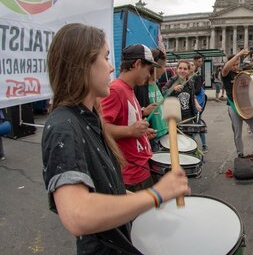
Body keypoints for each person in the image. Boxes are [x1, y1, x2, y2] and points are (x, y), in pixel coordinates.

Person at [42, 23, 189, 254]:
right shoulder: (64, 126)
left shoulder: (89, 119)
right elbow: (76, 215)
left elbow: (111, 191)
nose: (111, 68)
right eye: (106, 57)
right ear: (83, 64)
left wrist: (152, 203)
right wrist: (155, 194)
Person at [101, 44, 159, 191]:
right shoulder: (116, 89)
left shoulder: (128, 89)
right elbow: (101, 128)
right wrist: (131, 131)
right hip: (130, 176)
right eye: (148, 69)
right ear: (137, 64)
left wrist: (142, 134)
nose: (149, 74)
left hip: (141, 169)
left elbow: (125, 124)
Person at [222, 48, 253, 161]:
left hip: (247, 105)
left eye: (237, 64)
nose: (235, 66)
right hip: (233, 106)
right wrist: (239, 54)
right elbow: (226, 67)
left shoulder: (243, 73)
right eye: (233, 64)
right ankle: (240, 153)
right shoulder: (225, 74)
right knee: (238, 132)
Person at [134, 48, 168, 152]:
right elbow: (137, 114)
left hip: (163, 133)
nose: (165, 70)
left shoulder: (156, 83)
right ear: (156, 67)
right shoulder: (140, 86)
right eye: (164, 66)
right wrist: (144, 111)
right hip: (152, 137)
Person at [188, 61, 208, 152]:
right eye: (189, 65)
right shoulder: (185, 78)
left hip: (197, 102)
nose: (191, 67)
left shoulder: (197, 77)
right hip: (188, 103)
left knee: (198, 123)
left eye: (192, 65)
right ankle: (193, 146)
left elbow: (198, 90)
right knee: (190, 125)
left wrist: (190, 92)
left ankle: (204, 144)